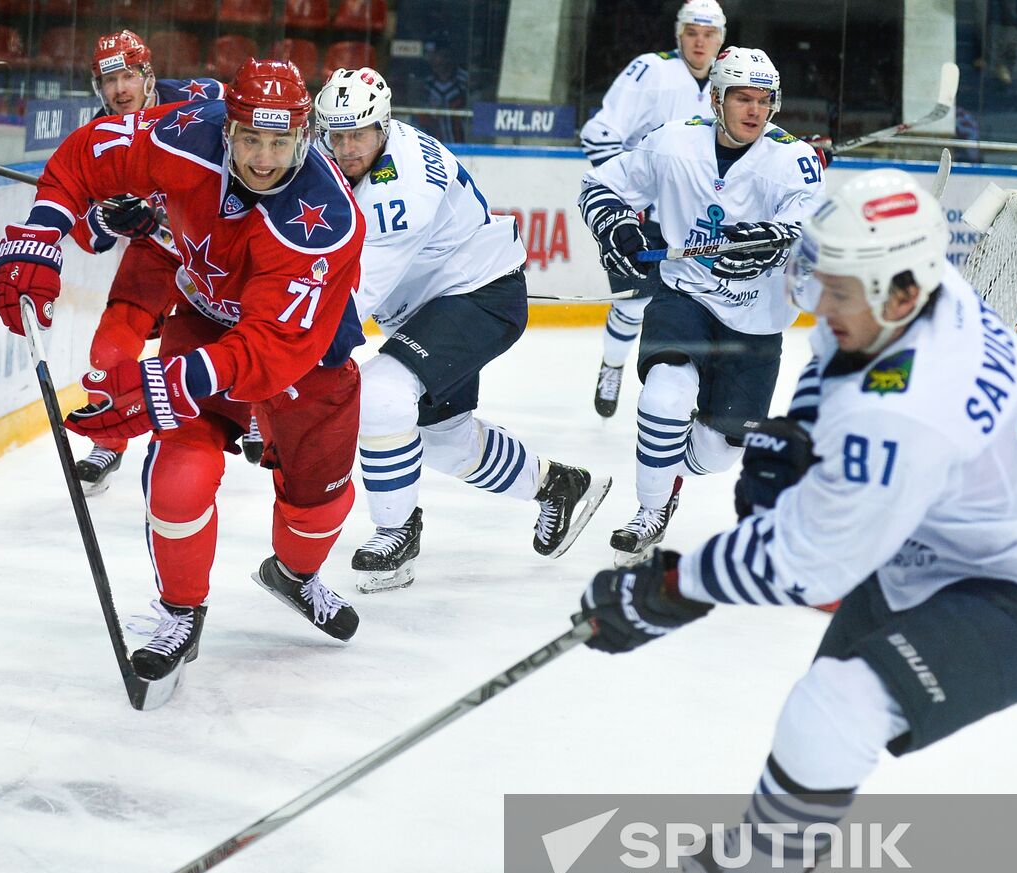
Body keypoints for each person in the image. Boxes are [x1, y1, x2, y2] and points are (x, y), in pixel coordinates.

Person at [573, 168, 1017, 873]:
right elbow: (831, 354)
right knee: (834, 699)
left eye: (842, 291)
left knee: (836, 701)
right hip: (964, 533)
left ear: (903, 289)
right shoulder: (913, 287)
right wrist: (806, 429)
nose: (824, 303)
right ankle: (784, 847)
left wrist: (671, 586)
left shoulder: (907, 413)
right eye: (826, 281)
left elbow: (809, 560)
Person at [0, 59, 367, 695]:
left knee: (318, 499)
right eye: (250, 140)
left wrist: (169, 380)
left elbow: (271, 348)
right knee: (179, 477)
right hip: (206, 317)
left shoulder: (326, 221)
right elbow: (89, 155)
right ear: (229, 132)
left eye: (279, 143)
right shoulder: (187, 133)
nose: (264, 159)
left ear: (304, 135)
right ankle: (181, 611)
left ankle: (296, 574)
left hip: (303, 347)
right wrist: (41, 235)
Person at [313, 67, 611, 593]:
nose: (346, 147)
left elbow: (354, 299)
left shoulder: (398, 189)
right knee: (445, 442)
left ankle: (396, 533)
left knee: (381, 392)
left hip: (480, 296)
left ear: (384, 125)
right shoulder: (353, 147)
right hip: (434, 303)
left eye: (357, 134)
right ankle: (560, 485)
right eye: (336, 135)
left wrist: (285, 359)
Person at [579, 46, 825, 567]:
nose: (755, 110)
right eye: (742, 98)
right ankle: (648, 512)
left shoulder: (794, 159)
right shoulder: (672, 143)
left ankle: (668, 473)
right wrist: (616, 225)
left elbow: (809, 227)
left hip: (756, 318)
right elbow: (601, 184)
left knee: (721, 449)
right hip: (684, 292)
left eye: (764, 100)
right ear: (716, 98)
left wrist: (777, 239)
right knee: (665, 395)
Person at [70, 30, 234, 495]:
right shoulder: (93, 140)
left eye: (127, 76)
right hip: (159, 252)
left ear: (148, 75)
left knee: (255, 331)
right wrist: (109, 217)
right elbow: (87, 236)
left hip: (219, 245)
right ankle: (110, 439)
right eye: (109, 81)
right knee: (110, 348)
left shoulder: (199, 98)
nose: (119, 89)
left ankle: (263, 417)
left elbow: (257, 131)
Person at [579, 0, 726, 419]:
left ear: (721, 38)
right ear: (679, 35)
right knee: (631, 305)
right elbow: (599, 134)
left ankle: (687, 394)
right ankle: (612, 365)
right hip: (644, 222)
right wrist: (629, 198)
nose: (700, 42)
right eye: (692, 33)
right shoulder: (650, 70)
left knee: (701, 306)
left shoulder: (728, 81)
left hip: (698, 224)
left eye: (709, 34)